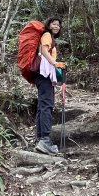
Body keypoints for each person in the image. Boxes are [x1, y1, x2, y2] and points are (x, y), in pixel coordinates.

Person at [34, 17, 66, 155]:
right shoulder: (47, 35)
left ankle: (41, 139)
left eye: (58, 25)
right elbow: (44, 51)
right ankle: (45, 140)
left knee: (42, 106)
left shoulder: (50, 37)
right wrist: (55, 63)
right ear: (48, 25)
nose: (56, 26)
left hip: (42, 76)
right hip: (44, 75)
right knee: (47, 105)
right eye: (54, 24)